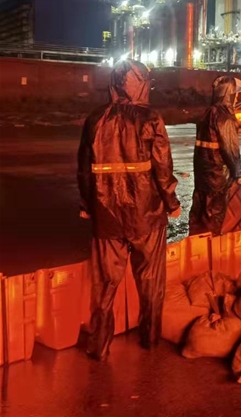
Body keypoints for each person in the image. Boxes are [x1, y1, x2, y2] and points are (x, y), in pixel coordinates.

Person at [77, 59, 180, 360]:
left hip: (106, 215)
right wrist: (171, 202)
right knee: (150, 281)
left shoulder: (95, 119)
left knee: (104, 284)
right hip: (147, 215)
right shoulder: (151, 118)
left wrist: (87, 204)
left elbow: (84, 168)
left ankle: (99, 345)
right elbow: (162, 166)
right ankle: (149, 339)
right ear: (142, 84)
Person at [189, 76, 241, 236]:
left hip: (203, 175)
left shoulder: (207, 113)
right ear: (229, 93)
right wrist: (239, 173)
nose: (237, 97)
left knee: (199, 213)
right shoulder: (225, 117)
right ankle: (209, 246)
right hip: (217, 177)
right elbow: (230, 148)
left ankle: (195, 244)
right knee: (213, 216)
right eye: (235, 93)